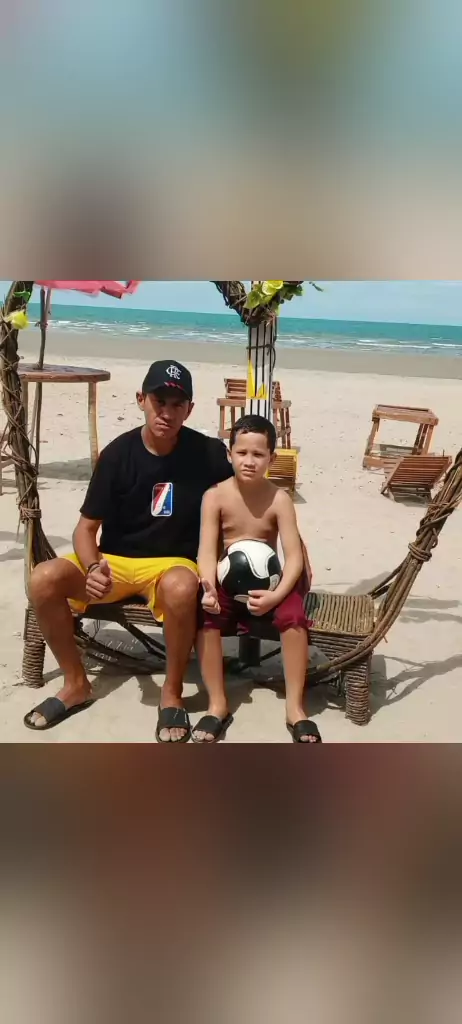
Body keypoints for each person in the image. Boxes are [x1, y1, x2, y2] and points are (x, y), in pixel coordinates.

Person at [23, 359, 233, 742]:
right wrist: (92, 567)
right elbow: (86, 529)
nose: (166, 413)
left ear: (189, 409)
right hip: (114, 562)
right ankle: (75, 683)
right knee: (43, 578)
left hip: (172, 564)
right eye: (159, 401)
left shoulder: (207, 454)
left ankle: (171, 692)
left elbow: (244, 497)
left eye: (177, 404)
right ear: (141, 400)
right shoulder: (118, 454)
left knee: (182, 587)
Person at [194, 413, 321, 744]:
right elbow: (206, 550)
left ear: (271, 459)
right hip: (228, 580)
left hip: (272, 580)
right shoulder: (215, 496)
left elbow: (293, 556)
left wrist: (276, 596)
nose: (249, 461)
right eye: (241, 452)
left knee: (294, 619)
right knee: (205, 617)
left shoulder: (279, 499)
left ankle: (295, 708)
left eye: (258, 454)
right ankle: (217, 704)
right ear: (229, 454)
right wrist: (208, 586)